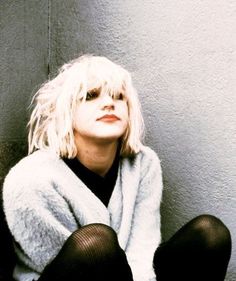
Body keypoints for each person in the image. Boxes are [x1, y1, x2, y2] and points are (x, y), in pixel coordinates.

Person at [3, 55, 231, 281]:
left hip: (130, 274)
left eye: (119, 96)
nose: (109, 103)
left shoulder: (143, 163)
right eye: (90, 96)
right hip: (69, 275)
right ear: (65, 111)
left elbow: (143, 246)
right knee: (97, 245)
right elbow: (55, 260)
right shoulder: (31, 179)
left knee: (210, 233)